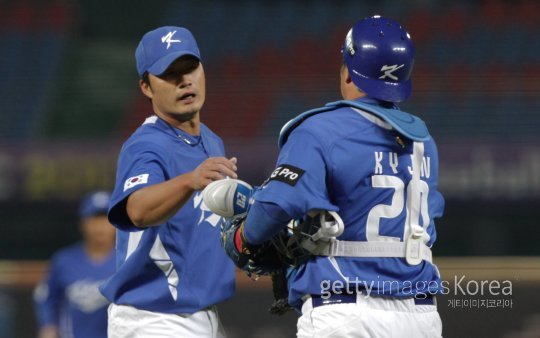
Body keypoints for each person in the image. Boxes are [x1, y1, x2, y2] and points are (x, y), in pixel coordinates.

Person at [217, 16, 445, 337]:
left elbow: (276, 205)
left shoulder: (320, 130)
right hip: (421, 316)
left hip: (347, 311)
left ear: (349, 73)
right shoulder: (424, 142)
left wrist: (246, 237)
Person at [99, 26, 237, 338]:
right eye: (170, 73)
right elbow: (137, 210)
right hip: (153, 317)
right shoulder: (147, 145)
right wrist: (190, 180)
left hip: (201, 313)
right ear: (146, 87)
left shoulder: (212, 141)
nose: (184, 80)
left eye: (190, 68)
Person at [34, 191, 116, 338]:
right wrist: (48, 326)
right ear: (83, 223)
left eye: (106, 219)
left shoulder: (127, 261)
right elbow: (47, 299)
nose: (100, 226)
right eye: (94, 219)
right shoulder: (64, 260)